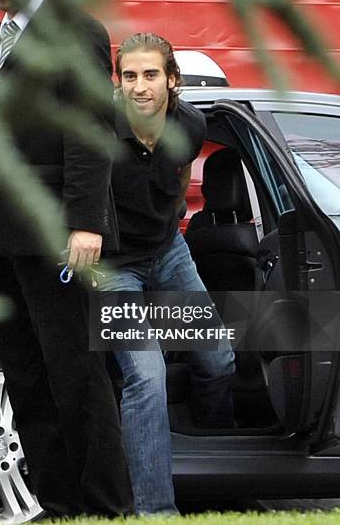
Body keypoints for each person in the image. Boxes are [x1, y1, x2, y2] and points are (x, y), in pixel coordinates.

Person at [0, 0, 132, 518]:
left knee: (77, 380)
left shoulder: (77, 31)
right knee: (28, 384)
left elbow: (90, 134)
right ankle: (59, 506)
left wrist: (86, 224)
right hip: (5, 240)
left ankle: (104, 509)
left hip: (59, 239)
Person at [100, 32, 236, 514]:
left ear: (171, 80)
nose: (140, 86)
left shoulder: (191, 124)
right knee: (147, 378)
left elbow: (180, 181)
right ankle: (155, 511)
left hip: (167, 250)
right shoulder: (99, 130)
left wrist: (168, 225)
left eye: (151, 75)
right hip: (113, 268)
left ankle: (217, 467)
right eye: (130, 76)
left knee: (218, 359)